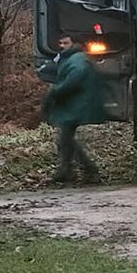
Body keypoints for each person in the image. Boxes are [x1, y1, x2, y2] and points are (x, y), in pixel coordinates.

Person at [41, 33, 107, 184]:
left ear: (74, 43)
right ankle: (67, 170)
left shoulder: (77, 60)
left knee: (66, 139)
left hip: (77, 105)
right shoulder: (75, 58)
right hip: (75, 104)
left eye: (65, 43)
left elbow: (74, 79)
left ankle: (87, 171)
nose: (62, 46)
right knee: (65, 139)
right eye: (61, 43)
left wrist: (54, 91)